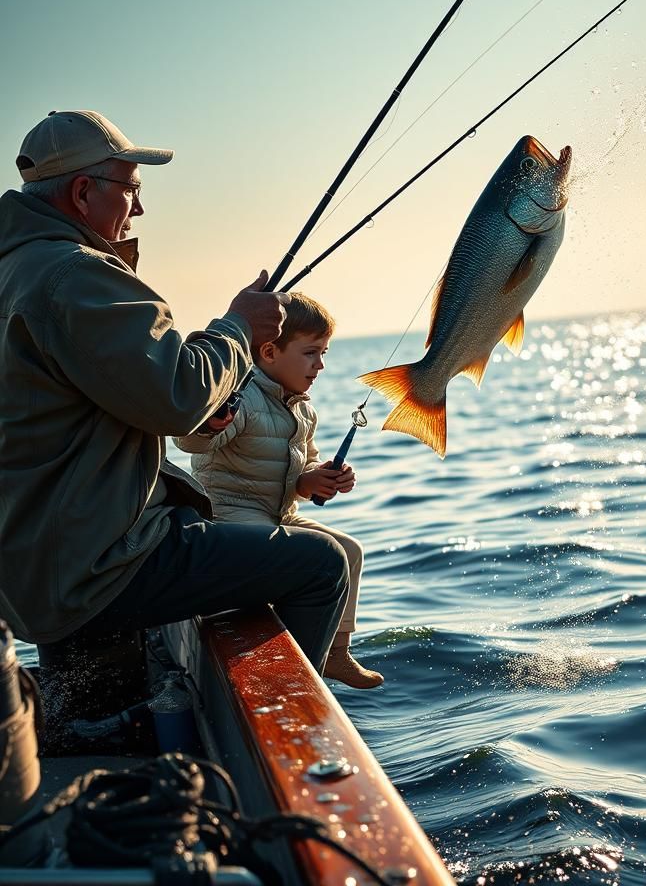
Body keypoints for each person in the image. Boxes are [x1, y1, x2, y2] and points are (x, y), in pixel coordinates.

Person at [0, 109, 349, 682]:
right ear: (84, 192)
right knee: (321, 563)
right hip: (93, 566)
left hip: (36, 562)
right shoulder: (74, 275)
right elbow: (179, 396)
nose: (139, 209)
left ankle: (84, 712)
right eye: (131, 190)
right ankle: (288, 736)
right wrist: (238, 328)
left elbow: (76, 408)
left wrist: (192, 416)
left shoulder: (17, 268)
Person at [174, 293, 384, 689]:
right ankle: (267, 663)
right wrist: (209, 423)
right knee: (292, 563)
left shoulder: (303, 408)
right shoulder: (243, 398)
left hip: (280, 516)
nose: (320, 364)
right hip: (229, 516)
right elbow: (192, 443)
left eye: (324, 353)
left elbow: (303, 470)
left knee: (349, 551)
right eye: (311, 353)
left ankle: (336, 654)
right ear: (269, 352)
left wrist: (317, 478)